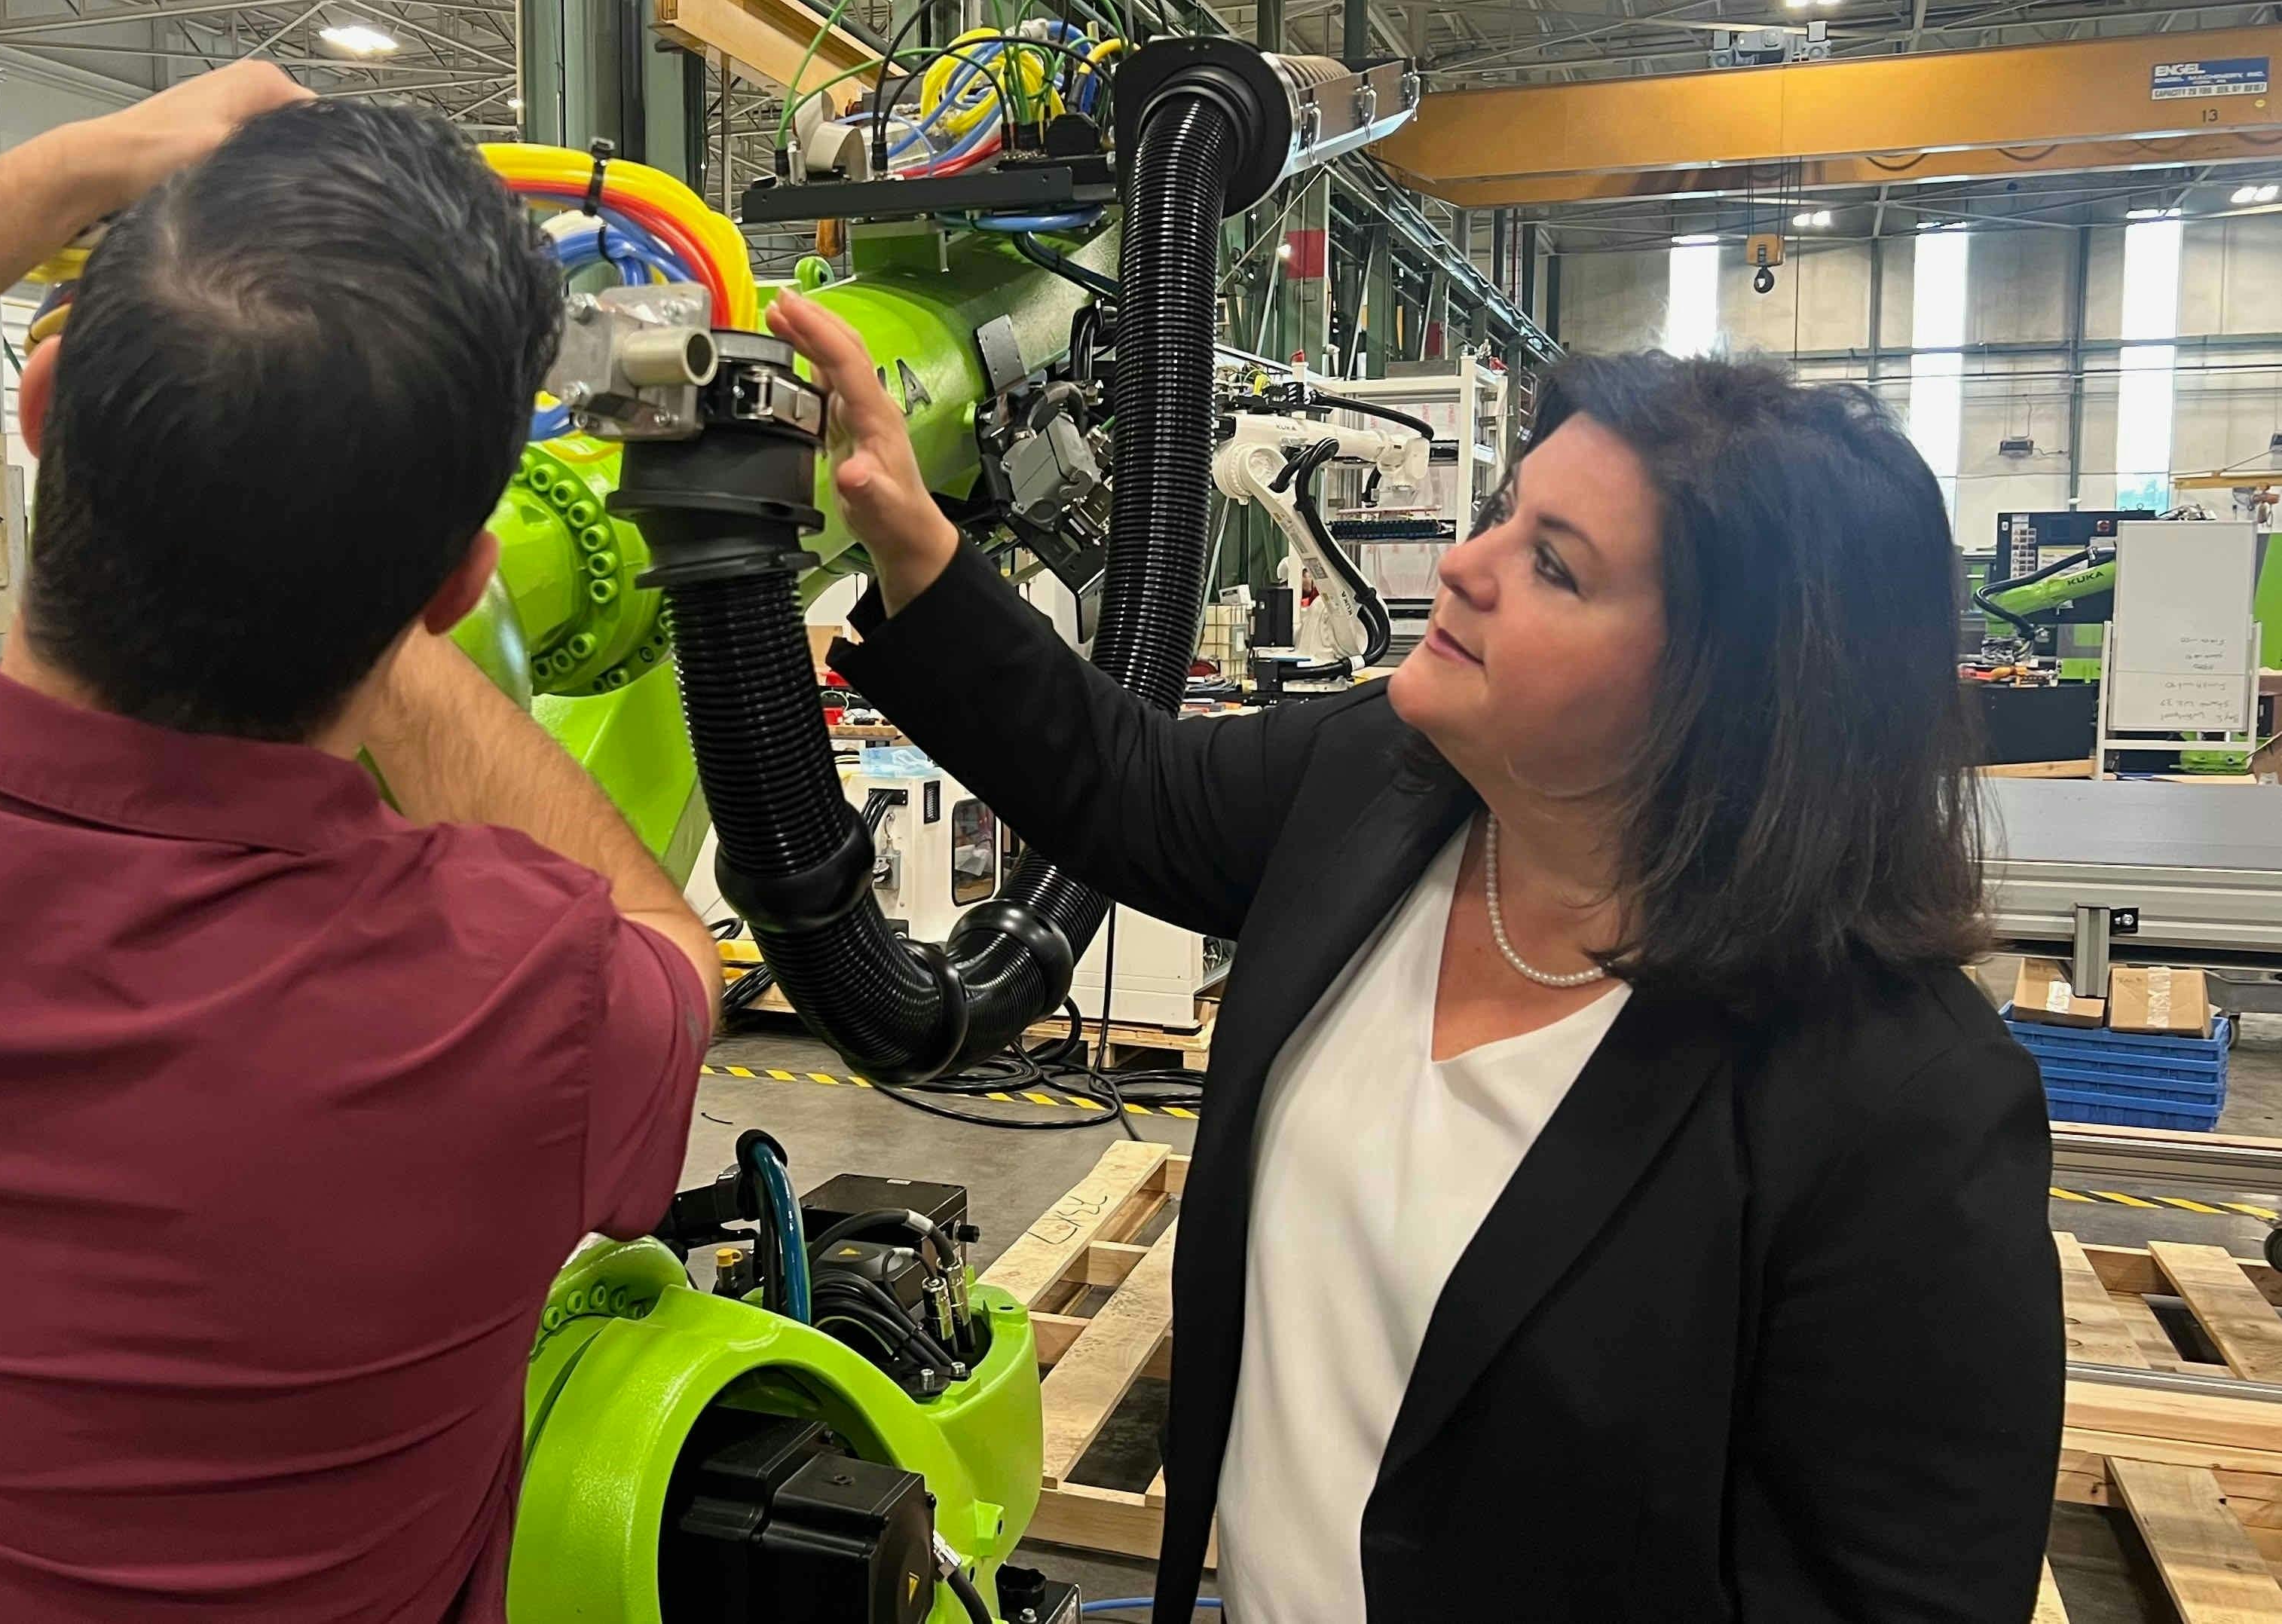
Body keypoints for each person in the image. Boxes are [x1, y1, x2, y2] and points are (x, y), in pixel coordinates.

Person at [0, 66, 716, 1621]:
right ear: (454, 590)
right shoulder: (526, 1006)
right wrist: (359, 567)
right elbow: (670, 951)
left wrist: (47, 178)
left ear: (38, 420)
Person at [767, 292, 2060, 1622]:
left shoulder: (1896, 1105)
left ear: (1736, 698)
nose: (1464, 564)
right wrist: (906, 527)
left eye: (1554, 565)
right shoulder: (1384, 788)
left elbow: (1897, 1592)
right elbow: (1127, 782)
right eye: (1504, 510)